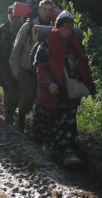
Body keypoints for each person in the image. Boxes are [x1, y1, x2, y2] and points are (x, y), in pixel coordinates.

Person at [33, 11, 95, 166]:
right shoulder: (46, 44)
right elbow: (40, 66)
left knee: (68, 123)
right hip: (52, 92)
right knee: (49, 121)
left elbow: (83, 65)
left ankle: (68, 152)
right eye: (64, 27)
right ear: (58, 27)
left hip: (70, 91)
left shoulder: (76, 44)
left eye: (70, 27)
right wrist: (50, 83)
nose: (67, 30)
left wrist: (88, 85)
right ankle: (49, 148)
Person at [9, 0, 55, 131]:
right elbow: (16, 49)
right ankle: (20, 120)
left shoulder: (54, 28)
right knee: (28, 99)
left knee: (42, 101)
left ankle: (38, 127)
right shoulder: (28, 26)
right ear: (39, 10)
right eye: (44, 9)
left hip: (45, 72)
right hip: (27, 69)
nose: (46, 12)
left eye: (49, 10)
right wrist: (14, 69)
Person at [0, 6, 23, 124]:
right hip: (5, 67)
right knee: (9, 92)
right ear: (9, 17)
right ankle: (9, 119)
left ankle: (18, 117)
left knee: (19, 93)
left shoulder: (26, 30)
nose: (16, 19)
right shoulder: (0, 32)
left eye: (18, 17)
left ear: (21, 17)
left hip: (21, 66)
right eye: (13, 17)